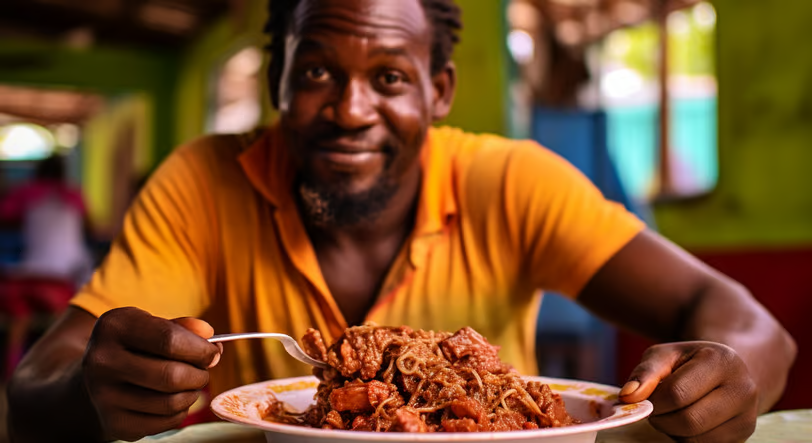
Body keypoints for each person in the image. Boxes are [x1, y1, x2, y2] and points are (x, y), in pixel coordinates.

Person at [6, 0, 795, 442]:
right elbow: (35, 383)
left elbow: (751, 326)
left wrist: (731, 377)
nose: (351, 110)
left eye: (388, 77)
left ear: (440, 89)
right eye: (316, 71)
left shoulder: (512, 180)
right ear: (277, 80)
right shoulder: (203, 181)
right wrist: (90, 389)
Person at [0, 154, 92, 378]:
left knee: (20, 319)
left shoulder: (27, 193)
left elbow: (5, 215)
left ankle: (11, 369)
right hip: (60, 282)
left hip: (26, 280)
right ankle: (55, 370)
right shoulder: (74, 196)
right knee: (64, 321)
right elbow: (92, 227)